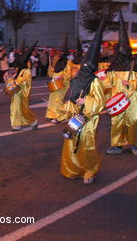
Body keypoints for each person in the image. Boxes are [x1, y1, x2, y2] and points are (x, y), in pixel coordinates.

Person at [60, 15, 106, 184]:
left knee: (87, 145)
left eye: (89, 67)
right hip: (74, 117)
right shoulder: (76, 79)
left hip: (89, 118)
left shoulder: (95, 81)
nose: (85, 69)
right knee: (71, 143)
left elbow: (100, 101)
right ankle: (73, 169)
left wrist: (86, 101)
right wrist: (67, 106)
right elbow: (69, 96)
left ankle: (90, 170)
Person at [104, 10, 137, 156]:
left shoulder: (136, 65)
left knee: (132, 122)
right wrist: (103, 81)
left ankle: (133, 144)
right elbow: (108, 84)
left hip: (132, 100)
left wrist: (130, 84)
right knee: (117, 123)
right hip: (117, 99)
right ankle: (117, 145)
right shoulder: (113, 67)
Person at [8, 42, 38, 131]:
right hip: (16, 92)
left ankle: (33, 121)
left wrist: (15, 80)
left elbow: (24, 82)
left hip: (22, 93)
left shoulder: (27, 72)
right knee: (15, 108)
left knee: (24, 110)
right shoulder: (19, 69)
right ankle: (16, 125)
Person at [45, 42, 73, 124]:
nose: (58, 54)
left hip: (63, 83)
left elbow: (69, 73)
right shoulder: (56, 61)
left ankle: (60, 116)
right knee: (52, 98)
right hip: (55, 82)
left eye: (59, 53)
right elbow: (51, 73)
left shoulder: (68, 62)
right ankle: (52, 114)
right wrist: (50, 67)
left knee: (58, 99)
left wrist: (62, 76)